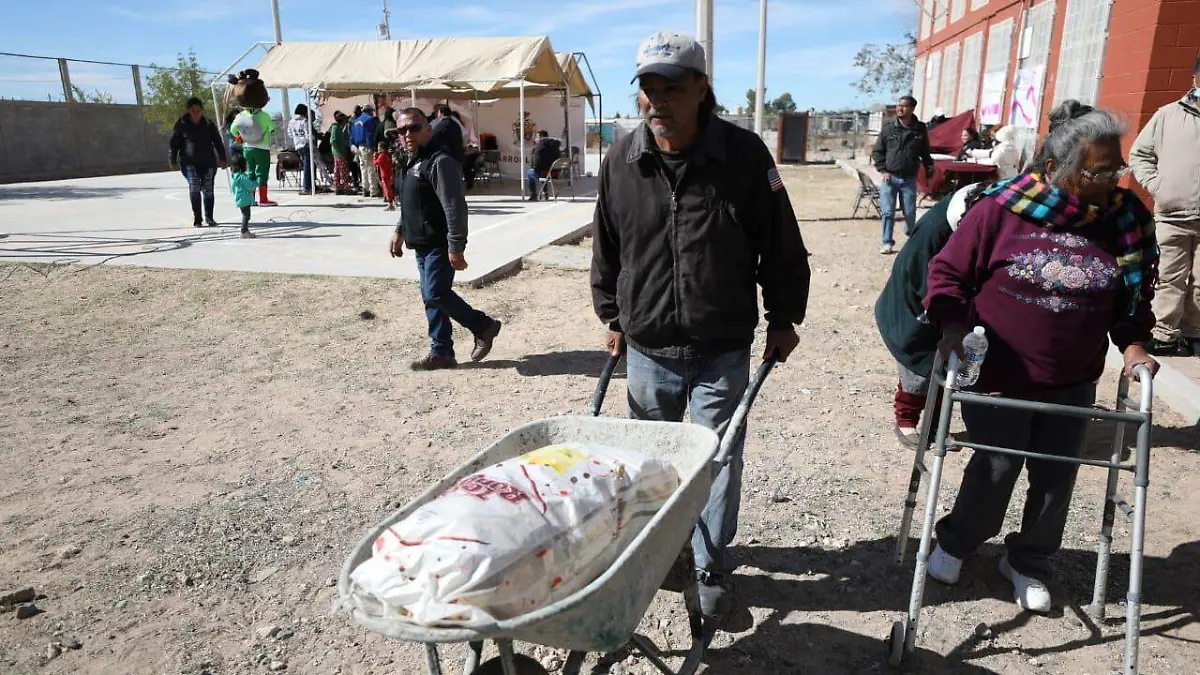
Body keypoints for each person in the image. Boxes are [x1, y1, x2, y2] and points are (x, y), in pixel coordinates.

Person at [591, 31, 810, 622]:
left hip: (721, 343)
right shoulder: (622, 160)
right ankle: (665, 555)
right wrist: (612, 316)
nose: (657, 101)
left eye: (672, 88)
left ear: (702, 89)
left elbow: (781, 244)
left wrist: (783, 316)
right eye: (648, 89)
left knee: (715, 460)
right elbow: (608, 249)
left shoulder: (744, 157)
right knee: (653, 459)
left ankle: (710, 565)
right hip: (648, 345)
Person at [922, 101, 1160, 613]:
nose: (1111, 180)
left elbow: (1133, 296)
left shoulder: (1125, 218)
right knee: (999, 464)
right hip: (1000, 372)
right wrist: (953, 324)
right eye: (1098, 170)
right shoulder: (1000, 209)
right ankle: (958, 540)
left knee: (1056, 479)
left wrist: (1134, 342)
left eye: (1115, 168)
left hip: (1072, 376)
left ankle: (1028, 562)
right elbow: (947, 275)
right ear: (1053, 170)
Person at [874, 182, 991, 447]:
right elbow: (925, 277)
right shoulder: (934, 233)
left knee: (946, 368)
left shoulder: (966, 215)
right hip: (914, 309)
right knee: (917, 371)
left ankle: (936, 428)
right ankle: (906, 422)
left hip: (945, 309)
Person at [388, 108, 503, 370]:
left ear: (428, 128)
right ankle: (441, 351)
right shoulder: (412, 161)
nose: (407, 134)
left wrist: (456, 246)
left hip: (439, 242)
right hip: (421, 242)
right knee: (430, 297)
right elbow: (411, 203)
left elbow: (454, 206)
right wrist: (399, 230)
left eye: (413, 127)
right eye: (401, 130)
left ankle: (484, 326)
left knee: (436, 292)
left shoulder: (441, 161)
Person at [1129, 55, 1200, 357]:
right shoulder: (1168, 115)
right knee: (1169, 276)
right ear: (1196, 76)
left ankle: (1194, 333)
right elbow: (1139, 154)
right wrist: (1159, 186)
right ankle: (1163, 335)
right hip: (1173, 214)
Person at [872, 95, 934, 255]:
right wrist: (883, 170)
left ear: (912, 108)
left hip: (909, 178)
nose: (900, 108)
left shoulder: (920, 128)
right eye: (899, 105)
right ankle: (887, 242)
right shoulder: (888, 127)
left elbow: (925, 152)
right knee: (887, 212)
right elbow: (877, 151)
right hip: (890, 177)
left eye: (904, 106)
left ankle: (910, 238)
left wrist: (929, 168)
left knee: (910, 212)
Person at [168, 97, 227, 227]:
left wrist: (222, 158)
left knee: (208, 189)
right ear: (189, 111)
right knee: (194, 185)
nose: (196, 114)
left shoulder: (208, 124)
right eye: (193, 111)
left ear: (202, 110)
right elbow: (174, 144)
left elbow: (218, 142)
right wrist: (172, 159)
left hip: (208, 162)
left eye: (198, 111)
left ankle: (209, 217)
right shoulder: (182, 124)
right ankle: (198, 218)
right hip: (189, 162)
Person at [227, 70, 278, 206]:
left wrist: (240, 136)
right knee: (262, 173)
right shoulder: (264, 116)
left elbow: (233, 130)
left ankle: (251, 198)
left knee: (251, 172)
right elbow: (272, 128)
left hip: (247, 148)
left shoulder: (240, 116)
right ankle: (263, 199)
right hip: (262, 148)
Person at [352, 104, 381, 198]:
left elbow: (352, 136)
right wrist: (372, 147)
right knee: (371, 169)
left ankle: (365, 189)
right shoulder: (370, 120)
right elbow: (369, 134)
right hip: (367, 146)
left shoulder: (356, 121)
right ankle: (374, 190)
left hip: (359, 147)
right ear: (369, 111)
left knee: (363, 169)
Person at [525, 130, 562, 201]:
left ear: (541, 137)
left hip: (545, 173)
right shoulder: (555, 145)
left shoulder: (540, 146)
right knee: (543, 170)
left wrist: (535, 168)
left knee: (530, 173)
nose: (535, 138)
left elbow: (537, 161)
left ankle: (534, 195)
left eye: (536, 137)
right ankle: (545, 193)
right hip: (555, 173)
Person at [229, 153, 258, 239]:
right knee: (246, 216)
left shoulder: (234, 176)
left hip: (240, 199)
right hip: (245, 199)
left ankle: (246, 230)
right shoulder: (242, 176)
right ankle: (243, 231)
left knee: (245, 215)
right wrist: (256, 182)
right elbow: (250, 187)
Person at [287, 104, 314, 195]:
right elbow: (308, 133)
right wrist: (309, 140)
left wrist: (296, 138)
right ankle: (307, 187)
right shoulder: (304, 121)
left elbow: (290, 133)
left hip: (297, 145)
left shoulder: (291, 121)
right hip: (305, 145)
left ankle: (308, 186)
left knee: (305, 166)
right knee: (308, 167)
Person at [329, 111, 352, 194]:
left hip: (338, 152)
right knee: (343, 170)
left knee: (338, 170)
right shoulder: (336, 128)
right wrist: (339, 151)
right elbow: (333, 140)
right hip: (339, 153)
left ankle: (339, 188)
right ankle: (345, 187)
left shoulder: (338, 127)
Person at [374, 139, 396, 211]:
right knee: (389, 188)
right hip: (389, 173)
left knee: (387, 189)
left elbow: (376, 163)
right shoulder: (388, 154)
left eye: (378, 147)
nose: (377, 149)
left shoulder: (381, 156)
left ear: (381, 148)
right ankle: (393, 200)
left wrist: (374, 157)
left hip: (384, 175)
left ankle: (390, 204)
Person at [348, 105, 364, 191]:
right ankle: (356, 182)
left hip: (355, 143)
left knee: (358, 164)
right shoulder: (353, 120)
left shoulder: (352, 120)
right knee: (356, 164)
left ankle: (358, 182)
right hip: (355, 143)